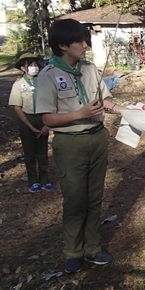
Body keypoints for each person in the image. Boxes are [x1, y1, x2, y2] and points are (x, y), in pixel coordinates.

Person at [35, 18, 123, 274]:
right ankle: (73, 251)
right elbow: (47, 118)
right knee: (75, 199)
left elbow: (106, 103)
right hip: (70, 143)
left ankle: (92, 248)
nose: (85, 45)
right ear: (63, 45)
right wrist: (80, 113)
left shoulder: (89, 69)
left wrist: (133, 111)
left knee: (94, 197)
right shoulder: (48, 76)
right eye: (79, 41)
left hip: (97, 138)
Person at [8, 52, 53, 193]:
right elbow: (17, 107)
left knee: (43, 152)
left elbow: (52, 103)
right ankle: (33, 181)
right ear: (23, 68)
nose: (34, 67)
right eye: (30, 65)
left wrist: (47, 125)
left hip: (42, 118)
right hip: (27, 120)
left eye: (35, 64)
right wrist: (30, 127)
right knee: (30, 152)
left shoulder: (44, 83)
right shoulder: (18, 85)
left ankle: (45, 180)